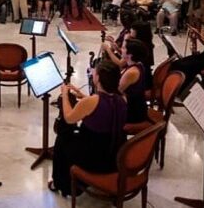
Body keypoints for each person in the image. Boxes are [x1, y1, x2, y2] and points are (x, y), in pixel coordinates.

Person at [48, 60, 127, 197]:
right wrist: (81, 95)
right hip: (114, 150)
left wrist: (65, 95)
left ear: (98, 79)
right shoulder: (122, 99)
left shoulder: (91, 102)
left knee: (63, 138)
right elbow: (103, 104)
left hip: (93, 155)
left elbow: (69, 118)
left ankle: (61, 183)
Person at [120, 39, 148, 123]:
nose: (121, 49)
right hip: (135, 106)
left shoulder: (132, 72)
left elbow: (116, 90)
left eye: (124, 48)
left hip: (132, 112)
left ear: (130, 55)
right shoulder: (138, 64)